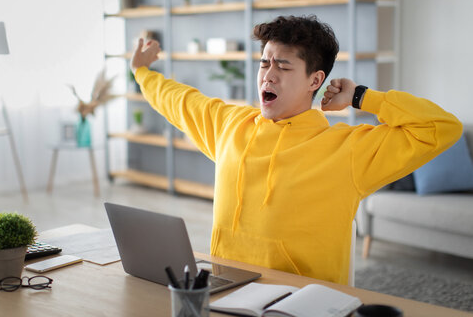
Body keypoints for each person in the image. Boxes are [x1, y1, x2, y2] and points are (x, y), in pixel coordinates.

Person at [129, 15, 462, 284]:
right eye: (264, 64)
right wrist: (142, 73)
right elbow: (180, 100)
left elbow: (442, 127)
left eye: (283, 67)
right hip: (225, 292)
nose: (267, 77)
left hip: (302, 304)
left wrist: (362, 97)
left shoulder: (347, 149)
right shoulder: (230, 125)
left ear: (315, 80)